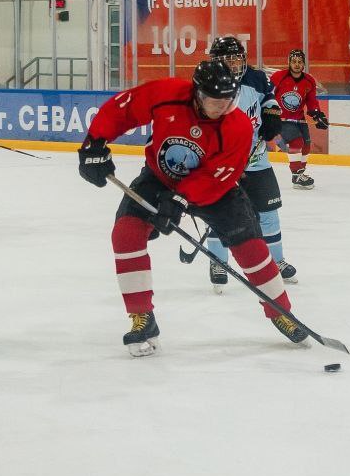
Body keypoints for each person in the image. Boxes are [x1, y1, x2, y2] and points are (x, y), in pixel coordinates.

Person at [77, 59, 309, 357]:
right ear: (197, 94)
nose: (221, 107)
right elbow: (123, 109)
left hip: (214, 189)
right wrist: (94, 144)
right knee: (125, 233)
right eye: (214, 101)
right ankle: (142, 316)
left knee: (250, 245)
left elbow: (218, 175)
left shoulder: (237, 126)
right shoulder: (167, 94)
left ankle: (281, 311)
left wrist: (181, 199)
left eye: (228, 100)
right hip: (159, 178)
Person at [202, 36, 298, 292]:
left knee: (268, 214)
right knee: (220, 215)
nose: (234, 64)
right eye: (228, 59)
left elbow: (269, 99)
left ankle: (276, 261)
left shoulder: (256, 78)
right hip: (222, 164)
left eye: (237, 58)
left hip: (257, 161)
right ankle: (218, 262)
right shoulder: (207, 83)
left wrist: (271, 115)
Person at [270, 49, 327, 189]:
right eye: (294, 61)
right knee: (297, 142)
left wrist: (317, 115)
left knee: (306, 144)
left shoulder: (309, 80)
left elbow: (311, 101)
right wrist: (269, 112)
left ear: (304, 64)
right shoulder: (278, 77)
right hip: (281, 119)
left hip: (299, 118)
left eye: (300, 62)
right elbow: (267, 94)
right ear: (289, 62)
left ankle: (299, 173)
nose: (296, 64)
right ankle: (296, 173)